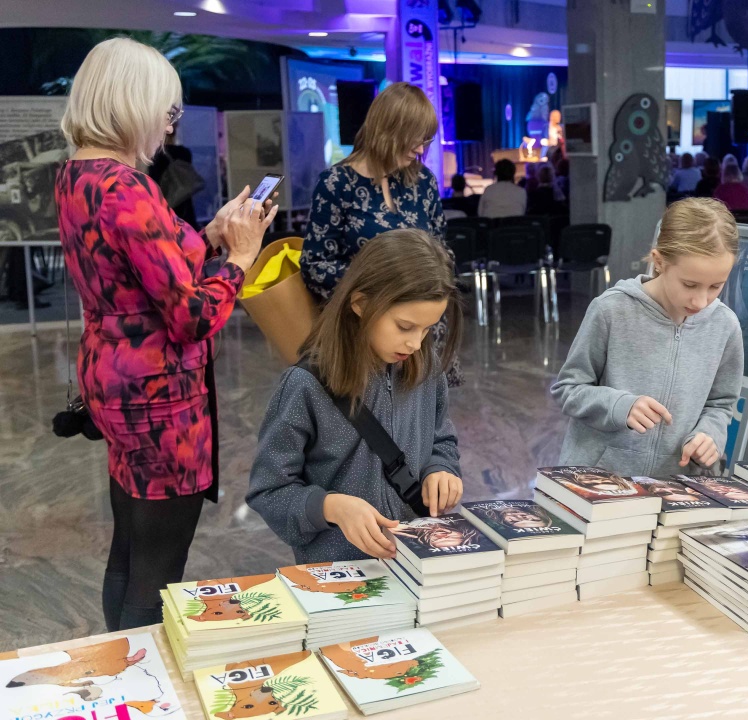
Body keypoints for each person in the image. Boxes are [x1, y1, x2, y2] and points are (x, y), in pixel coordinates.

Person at [55, 38, 278, 630]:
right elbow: (192, 317)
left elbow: (145, 271)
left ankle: (119, 672)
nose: (169, 125)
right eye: (167, 110)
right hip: (160, 398)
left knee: (128, 550)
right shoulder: (127, 188)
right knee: (157, 570)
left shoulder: (80, 176)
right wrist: (240, 259)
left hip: (113, 378)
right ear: (133, 104)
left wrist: (210, 235)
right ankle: (139, 686)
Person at [248, 230, 464, 563]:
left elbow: (442, 440)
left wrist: (441, 469)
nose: (416, 344)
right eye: (405, 327)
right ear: (361, 304)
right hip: (340, 574)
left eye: (427, 329)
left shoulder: (426, 368)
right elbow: (269, 490)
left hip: (415, 560)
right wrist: (330, 507)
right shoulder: (306, 385)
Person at [551, 198, 744, 476]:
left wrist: (709, 435)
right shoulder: (611, 310)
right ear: (659, 261)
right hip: (598, 482)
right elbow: (568, 389)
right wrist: (620, 406)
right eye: (690, 284)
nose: (702, 301)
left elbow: (721, 404)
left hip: (676, 486)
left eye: (716, 286)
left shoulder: (725, 326)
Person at [302, 82, 444, 303]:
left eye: (425, 141)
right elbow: (315, 266)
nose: (419, 150)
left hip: (423, 321)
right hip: (363, 320)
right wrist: (380, 286)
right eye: (413, 140)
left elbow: (442, 250)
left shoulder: (423, 180)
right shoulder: (336, 183)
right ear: (386, 131)